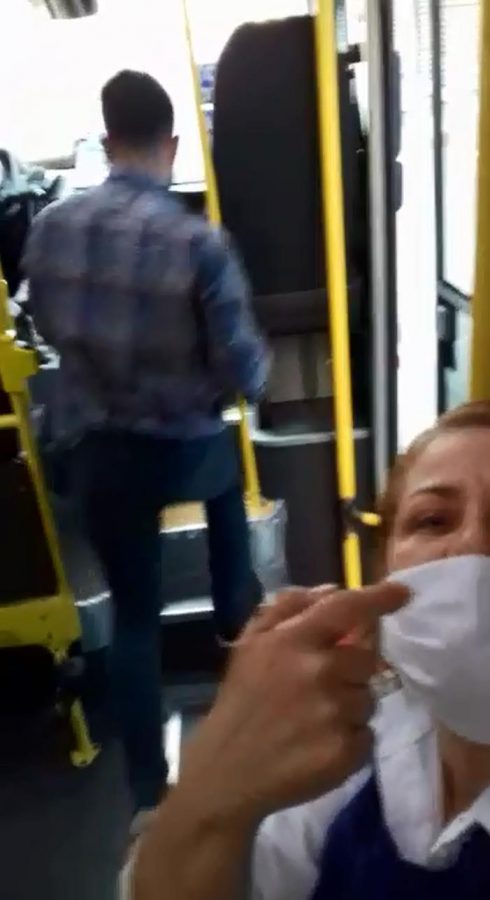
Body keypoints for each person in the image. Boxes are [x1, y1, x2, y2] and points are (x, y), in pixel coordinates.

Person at [22, 70, 269, 824]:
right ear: (172, 145)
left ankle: (145, 797)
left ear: (106, 142)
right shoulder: (199, 243)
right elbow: (245, 371)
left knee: (134, 615)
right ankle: (235, 619)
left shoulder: (51, 228)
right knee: (227, 493)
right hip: (184, 445)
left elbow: (45, 329)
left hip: (100, 452)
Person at [122, 400, 490, 898]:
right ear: (385, 572)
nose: (472, 547)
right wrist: (213, 788)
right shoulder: (345, 751)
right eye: (433, 521)